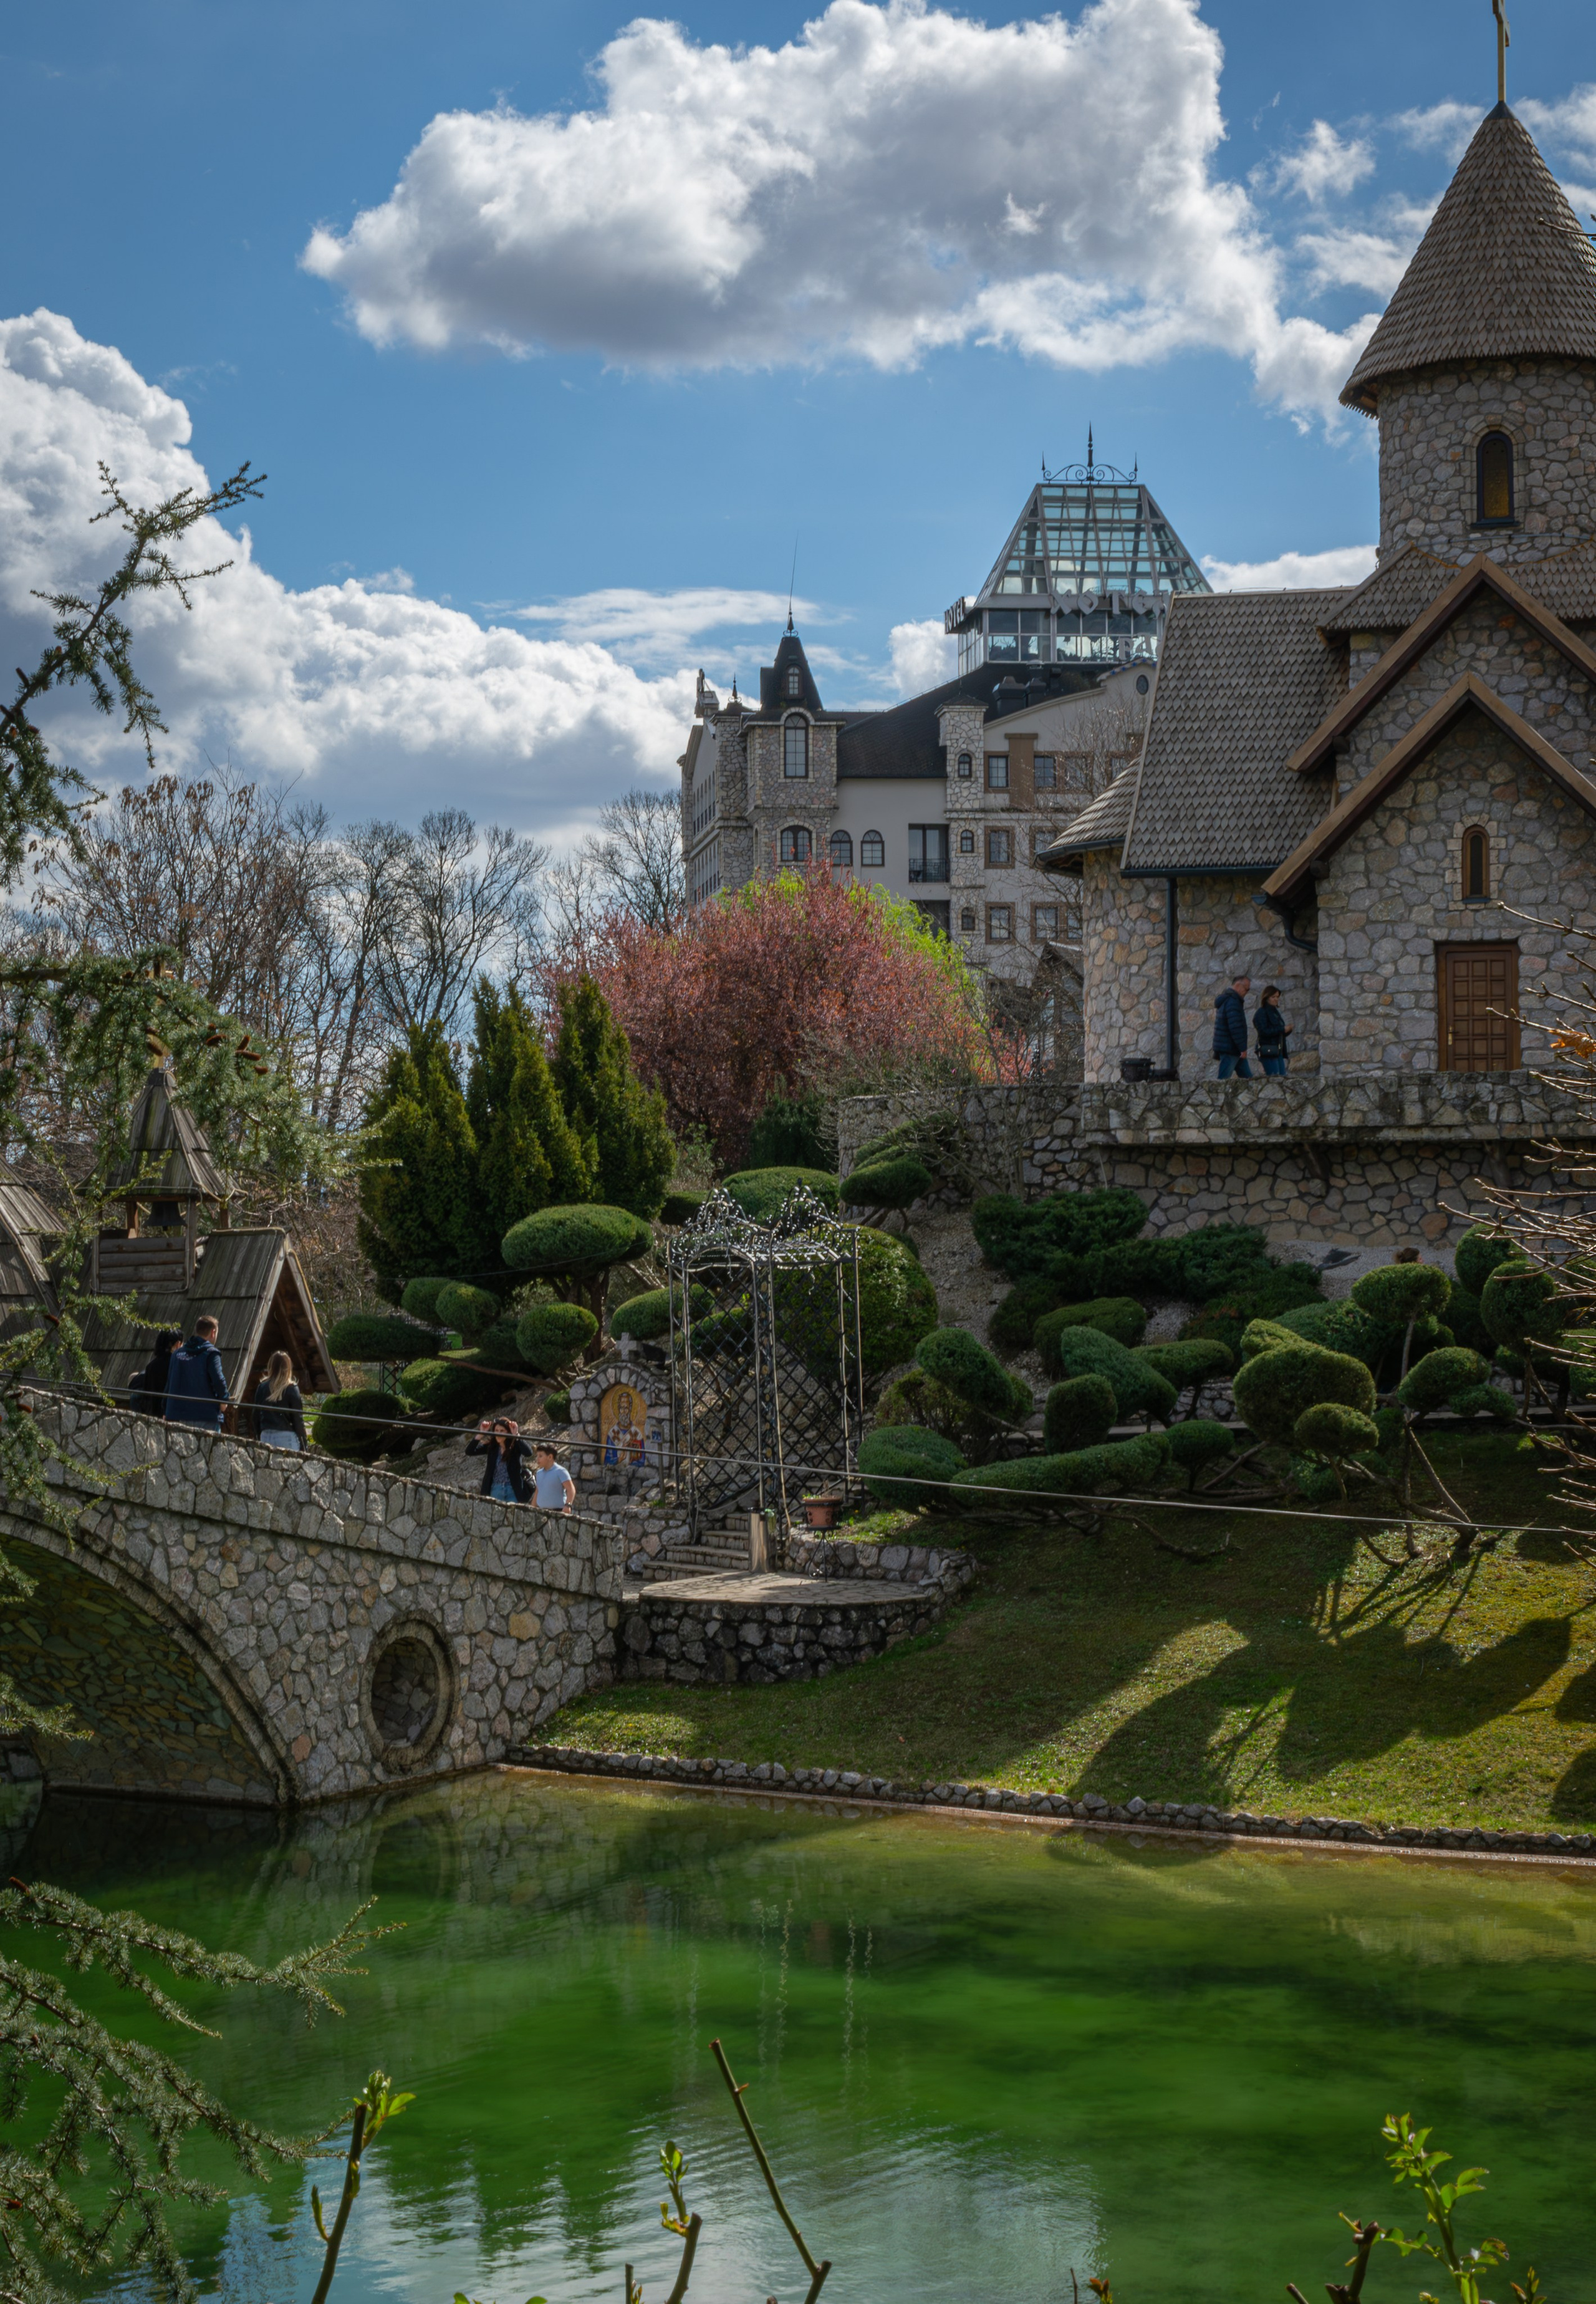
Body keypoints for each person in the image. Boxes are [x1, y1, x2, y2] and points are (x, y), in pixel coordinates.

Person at [165, 1316, 230, 1431]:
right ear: (213, 1332)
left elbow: (169, 1384)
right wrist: (224, 1399)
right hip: (206, 1415)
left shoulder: (177, 1354)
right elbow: (218, 1379)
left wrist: (165, 1409)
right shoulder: (211, 1353)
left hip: (177, 1415)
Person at [467, 1416, 533, 1504]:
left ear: (508, 1432)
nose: (499, 1434)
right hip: (495, 1489)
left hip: (513, 1490)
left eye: (502, 1431)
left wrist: (516, 1435)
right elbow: (470, 1451)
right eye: (497, 1431)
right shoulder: (492, 1447)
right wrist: (481, 1433)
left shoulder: (516, 1446)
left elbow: (529, 1452)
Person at [251, 1351, 307, 1451]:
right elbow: (298, 1420)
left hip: (266, 1435)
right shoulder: (291, 1388)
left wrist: (258, 1435)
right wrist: (304, 1445)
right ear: (288, 1368)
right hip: (286, 1437)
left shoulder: (262, 1388)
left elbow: (255, 1417)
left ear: (271, 1367)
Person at [128, 1329, 182, 1419]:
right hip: (170, 1416)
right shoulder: (177, 1364)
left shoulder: (151, 1366)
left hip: (152, 1416)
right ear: (177, 1344)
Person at [1212, 974, 1252, 1079]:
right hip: (1230, 1048)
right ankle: (1218, 1096)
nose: (1247, 992)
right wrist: (1243, 1049)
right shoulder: (1233, 1002)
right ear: (1238, 986)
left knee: (1248, 1080)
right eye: (1246, 989)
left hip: (1232, 1048)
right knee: (1223, 1081)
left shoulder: (1228, 1000)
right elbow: (1235, 1027)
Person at [1254, 985, 1292, 1076]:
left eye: (1277, 997)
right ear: (1267, 998)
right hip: (1268, 1050)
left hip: (1277, 1050)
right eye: (1273, 997)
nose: (1276, 999)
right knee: (1275, 1077)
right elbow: (1264, 1031)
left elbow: (1277, 1033)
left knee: (1281, 1077)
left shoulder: (1275, 1012)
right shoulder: (1262, 1012)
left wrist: (1287, 1030)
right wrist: (1282, 1029)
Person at [532, 1440, 576, 1516]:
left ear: (550, 1457)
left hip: (557, 1512)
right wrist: (532, 1507)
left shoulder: (560, 1471)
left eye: (540, 1456)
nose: (537, 1459)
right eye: (537, 1456)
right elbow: (538, 1491)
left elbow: (571, 1489)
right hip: (541, 1512)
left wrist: (568, 1505)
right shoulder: (539, 1473)